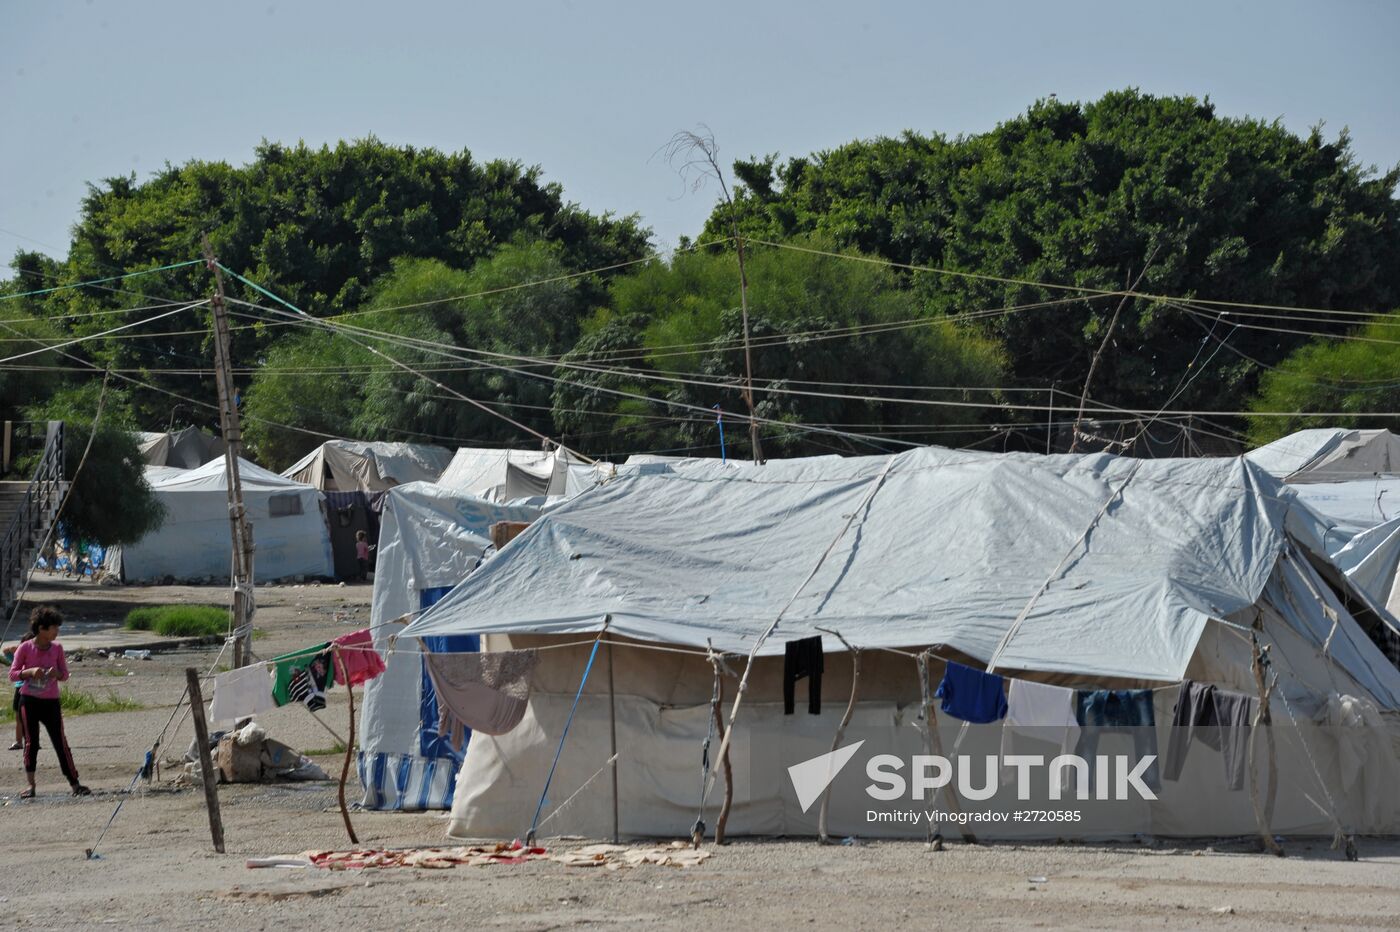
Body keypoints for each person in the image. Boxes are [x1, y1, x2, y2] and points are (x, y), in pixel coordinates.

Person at [9, 605, 89, 797]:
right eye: (54, 628)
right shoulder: (25, 648)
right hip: (28, 701)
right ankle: (31, 786)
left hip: (51, 702)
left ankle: (75, 784)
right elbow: (13, 674)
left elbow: (65, 675)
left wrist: (57, 673)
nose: (57, 632)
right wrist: (29, 672)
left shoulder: (57, 649)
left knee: (60, 742)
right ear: (42, 629)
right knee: (31, 743)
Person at [3, 633, 36, 751]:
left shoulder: (36, 657)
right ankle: (18, 741)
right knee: (18, 717)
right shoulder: (18, 657)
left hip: (31, 688)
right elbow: (6, 650)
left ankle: (31, 740)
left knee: (30, 717)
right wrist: (19, 649)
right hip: (19, 688)